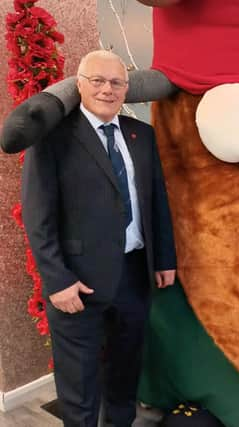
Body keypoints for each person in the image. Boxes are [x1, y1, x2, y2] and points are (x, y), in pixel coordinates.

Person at [20, 50, 177, 427]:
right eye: (98, 81)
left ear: (126, 89)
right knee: (80, 384)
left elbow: (157, 201)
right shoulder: (53, 137)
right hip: (77, 283)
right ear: (79, 84)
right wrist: (57, 282)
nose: (108, 89)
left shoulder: (142, 135)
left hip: (134, 274)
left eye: (116, 82)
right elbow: (38, 216)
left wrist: (165, 259)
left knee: (125, 371)